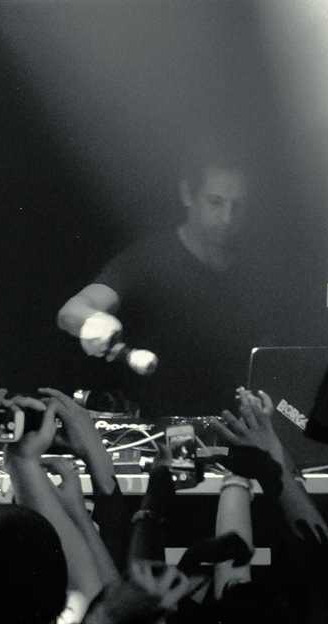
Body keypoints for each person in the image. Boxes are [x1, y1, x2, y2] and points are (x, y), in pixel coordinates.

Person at [57, 137, 273, 416]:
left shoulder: (258, 269)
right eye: (215, 202)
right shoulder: (147, 260)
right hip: (158, 433)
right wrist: (93, 321)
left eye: (238, 205)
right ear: (187, 194)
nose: (227, 218)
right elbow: (70, 311)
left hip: (235, 431)